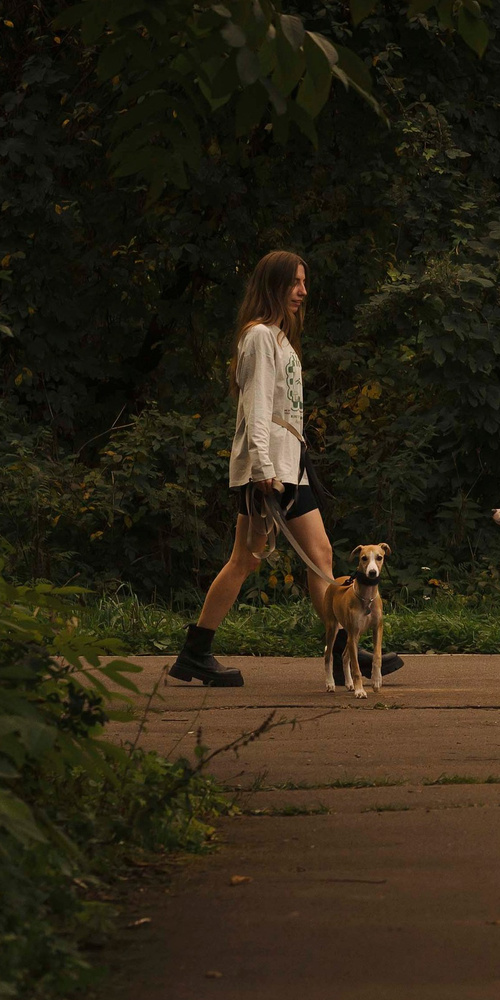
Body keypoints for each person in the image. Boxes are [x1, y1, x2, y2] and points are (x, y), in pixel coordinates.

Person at [172, 249, 396, 688]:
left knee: (321, 556)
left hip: (292, 464)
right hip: (271, 469)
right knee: (246, 560)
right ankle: (196, 651)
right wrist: (263, 470)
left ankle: (341, 649)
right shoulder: (258, 337)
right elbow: (255, 409)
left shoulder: (278, 339)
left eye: (304, 282)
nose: (303, 291)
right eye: (295, 282)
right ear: (273, 285)